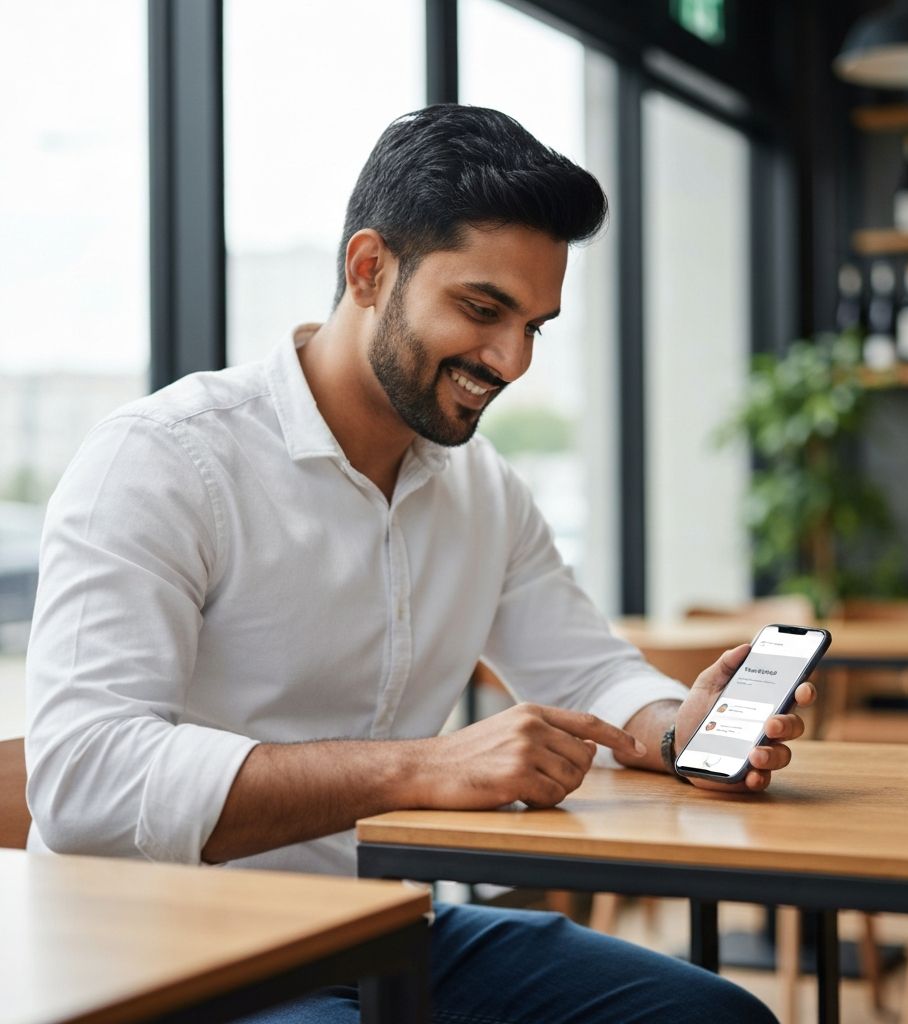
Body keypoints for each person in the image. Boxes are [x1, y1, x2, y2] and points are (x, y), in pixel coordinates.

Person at [26, 105, 811, 1023]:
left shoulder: (485, 492)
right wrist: (422, 768)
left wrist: (681, 727)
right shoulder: (163, 460)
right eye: (482, 310)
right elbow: (84, 779)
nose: (511, 360)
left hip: (375, 929)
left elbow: (589, 670)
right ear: (369, 270)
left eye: (535, 326)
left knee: (717, 1018)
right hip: (161, 949)